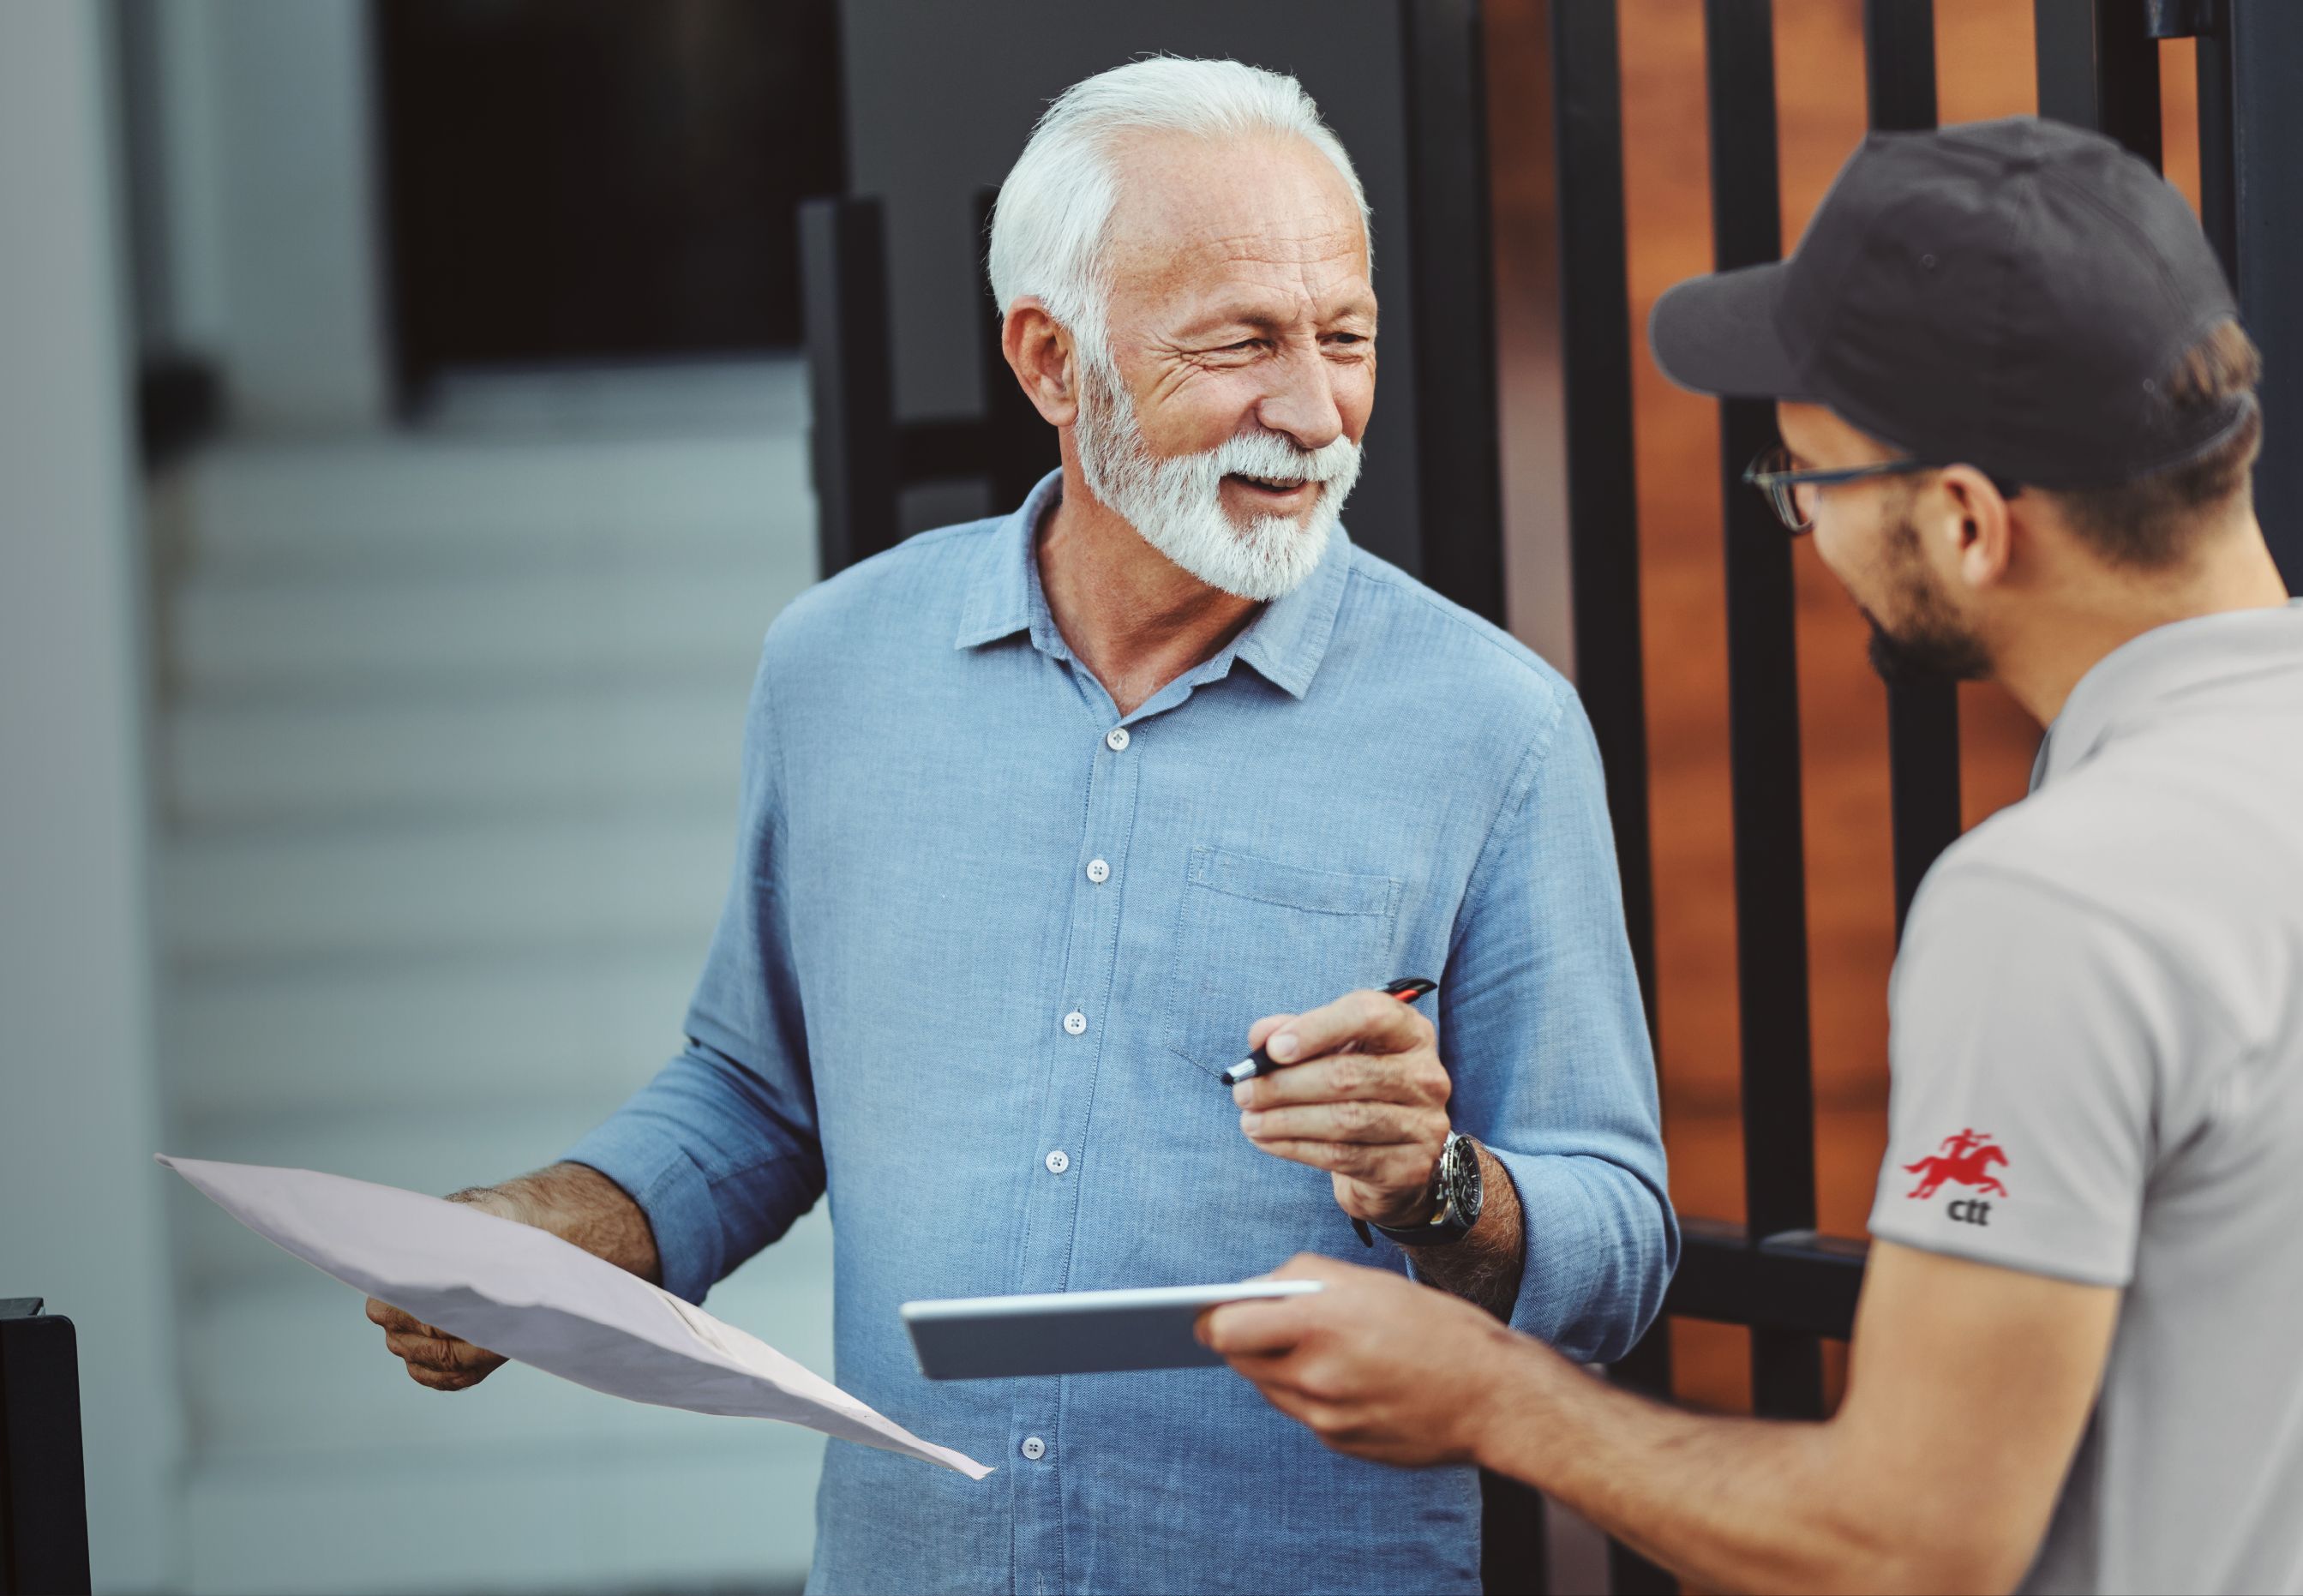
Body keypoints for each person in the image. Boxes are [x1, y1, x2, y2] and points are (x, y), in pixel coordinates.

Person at [1202, 117, 2303, 1594]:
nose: (1806, 527)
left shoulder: (2051, 901)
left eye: (1808, 482)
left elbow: (1905, 1544)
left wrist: (1485, 1393)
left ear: (1969, 522)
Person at [359, 57, 1676, 1594]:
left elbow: (1619, 1246)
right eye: (1242, 343)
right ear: (1055, 361)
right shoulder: (837, 664)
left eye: (1344, 336)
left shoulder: (1495, 726)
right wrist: (556, 1227)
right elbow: (757, 1092)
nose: (1316, 412)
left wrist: (1436, 1182)